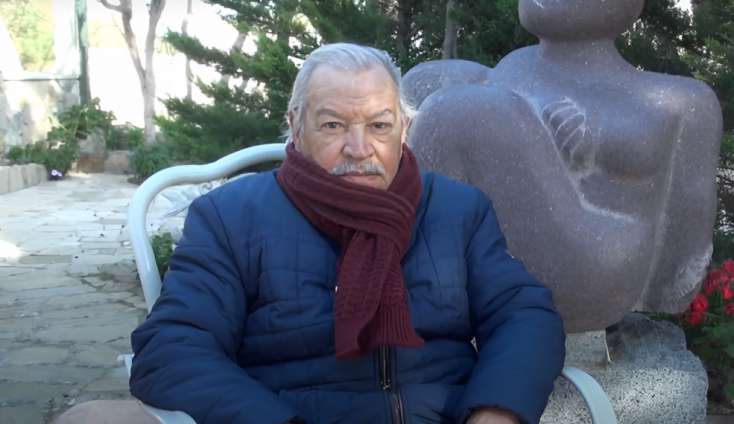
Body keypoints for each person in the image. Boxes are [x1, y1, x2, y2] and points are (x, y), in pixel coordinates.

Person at [59, 42, 565, 424]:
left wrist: (497, 410)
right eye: (333, 126)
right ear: (295, 126)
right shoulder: (231, 216)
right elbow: (172, 348)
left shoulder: (456, 209)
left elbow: (524, 313)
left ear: (404, 130)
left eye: (380, 125)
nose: (359, 148)